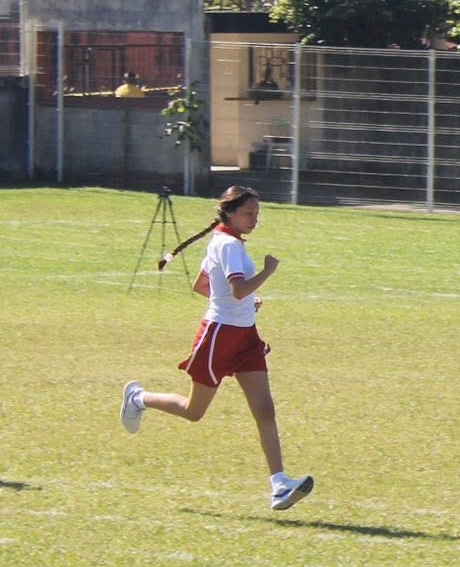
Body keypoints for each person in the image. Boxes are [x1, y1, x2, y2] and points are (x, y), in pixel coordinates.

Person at [119, 186, 314, 512]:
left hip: (245, 336)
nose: (254, 219)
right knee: (194, 411)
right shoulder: (228, 245)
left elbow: (202, 286)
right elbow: (237, 290)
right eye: (248, 213)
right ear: (230, 213)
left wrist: (247, 301)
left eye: (257, 213)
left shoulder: (226, 241)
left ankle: (279, 484)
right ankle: (138, 398)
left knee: (265, 409)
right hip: (219, 336)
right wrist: (267, 272)